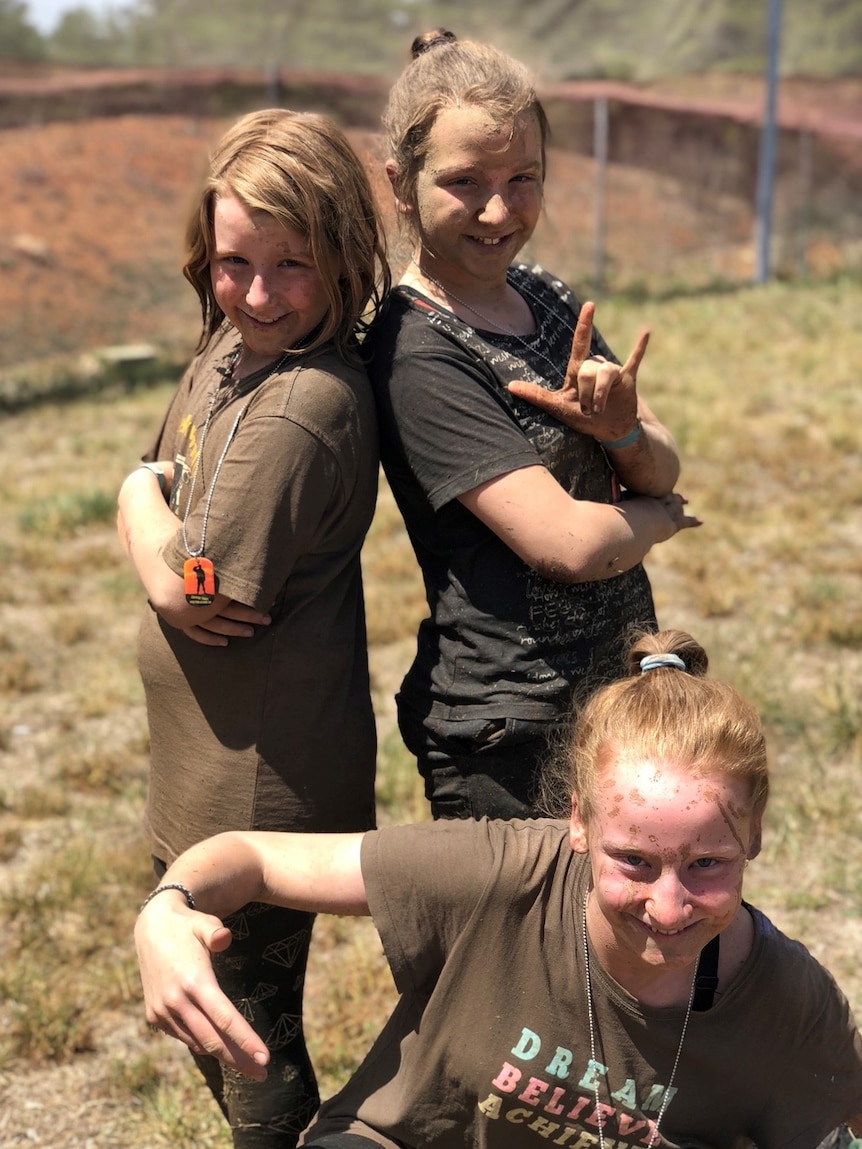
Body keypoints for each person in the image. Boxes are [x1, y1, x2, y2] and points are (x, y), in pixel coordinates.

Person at [134, 628, 862, 1148]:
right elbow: (247, 858)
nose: (668, 907)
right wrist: (168, 911)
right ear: (577, 822)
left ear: (755, 836)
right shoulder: (501, 874)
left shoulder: (791, 1005)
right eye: (634, 860)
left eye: (707, 864)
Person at [117, 108, 389, 1148]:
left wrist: (133, 503)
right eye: (236, 262)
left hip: (255, 795)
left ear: (343, 261)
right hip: (208, 769)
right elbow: (176, 476)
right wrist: (154, 493)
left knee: (242, 1038)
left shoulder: (297, 407)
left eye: (295, 266)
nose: (261, 293)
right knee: (221, 1022)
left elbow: (198, 581)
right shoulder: (231, 352)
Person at [362, 29, 701, 821]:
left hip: (613, 697)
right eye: (464, 181)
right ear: (399, 184)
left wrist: (621, 434)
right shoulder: (415, 348)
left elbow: (662, 459)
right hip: (511, 732)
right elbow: (570, 545)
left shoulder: (545, 294)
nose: (497, 208)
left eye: (524, 178)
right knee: (519, 945)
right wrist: (656, 518)